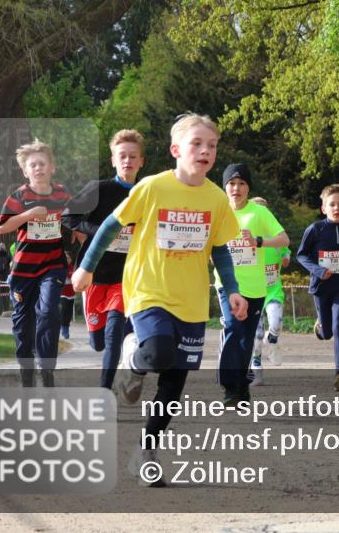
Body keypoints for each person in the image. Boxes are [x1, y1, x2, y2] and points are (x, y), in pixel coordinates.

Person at [72, 113, 247, 487]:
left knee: (173, 383)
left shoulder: (216, 198)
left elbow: (220, 250)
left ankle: (145, 450)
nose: (205, 151)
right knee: (158, 352)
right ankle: (133, 358)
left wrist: (232, 289)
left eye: (212, 145)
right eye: (196, 144)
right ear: (175, 150)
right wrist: (87, 268)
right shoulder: (152, 187)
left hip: (192, 301)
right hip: (148, 290)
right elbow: (109, 227)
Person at [62, 129, 145, 390]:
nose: (127, 161)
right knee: (98, 341)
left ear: (141, 161)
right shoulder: (100, 189)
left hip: (126, 275)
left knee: (113, 334)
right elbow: (68, 217)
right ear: (113, 160)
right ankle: (121, 340)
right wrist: (98, 231)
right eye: (122, 156)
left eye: (133, 157)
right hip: (95, 273)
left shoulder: (146, 194)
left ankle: (104, 391)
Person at [0, 138, 72, 387]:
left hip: (53, 265)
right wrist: (28, 214)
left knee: (49, 311)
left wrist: (77, 251)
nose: (38, 168)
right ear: (25, 170)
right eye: (33, 165)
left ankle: (47, 368)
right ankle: (26, 371)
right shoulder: (19, 196)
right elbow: (2, 227)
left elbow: (75, 225)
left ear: (52, 167)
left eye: (43, 163)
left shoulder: (63, 194)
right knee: (23, 324)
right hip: (24, 270)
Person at [216, 163, 289, 405]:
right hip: (227, 285)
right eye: (232, 183)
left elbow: (283, 239)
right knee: (233, 329)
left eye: (242, 183)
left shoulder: (259, 213)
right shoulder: (218, 211)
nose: (236, 188)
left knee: (247, 338)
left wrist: (259, 241)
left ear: (248, 188)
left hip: (256, 287)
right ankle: (229, 386)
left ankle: (241, 388)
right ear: (225, 187)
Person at [296, 184, 339, 392]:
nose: (336, 208)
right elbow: (301, 255)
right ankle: (320, 328)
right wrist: (317, 270)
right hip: (321, 286)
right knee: (327, 333)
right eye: (332, 204)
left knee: (338, 327)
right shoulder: (315, 229)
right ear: (324, 208)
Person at [248, 196, 291, 386]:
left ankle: (272, 339)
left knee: (276, 324)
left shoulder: (276, 239)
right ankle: (256, 366)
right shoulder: (247, 240)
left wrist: (286, 258)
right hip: (254, 292)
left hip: (273, 292)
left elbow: (285, 250)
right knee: (255, 335)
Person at [59, 254, 75, 339]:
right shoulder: (60, 268)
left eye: (68, 258)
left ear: (71, 259)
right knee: (64, 309)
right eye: (65, 258)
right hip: (62, 293)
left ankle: (66, 327)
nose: (67, 259)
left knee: (69, 312)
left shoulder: (72, 268)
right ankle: (63, 328)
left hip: (71, 293)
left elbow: (73, 279)